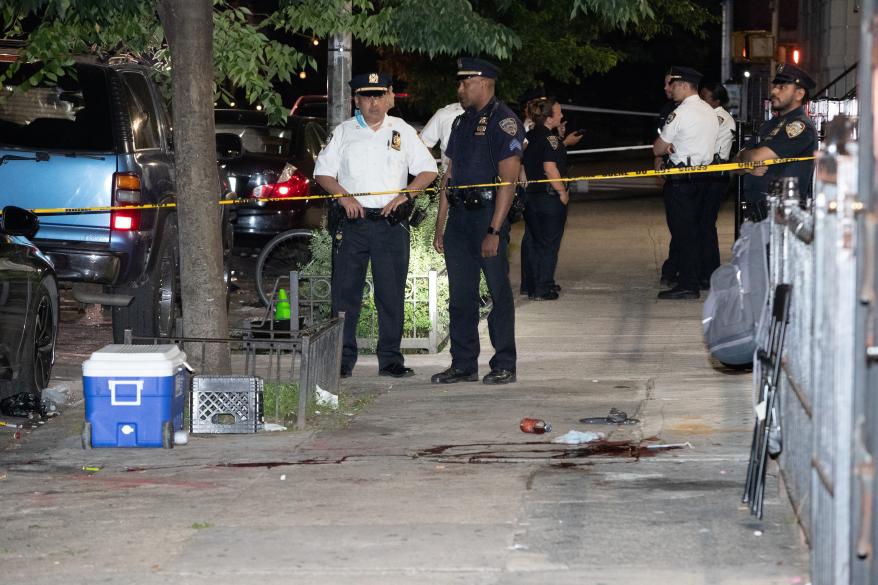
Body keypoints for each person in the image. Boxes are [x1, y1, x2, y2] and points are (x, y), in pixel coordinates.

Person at [314, 72, 438, 379]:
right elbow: (323, 173)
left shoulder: (402, 131)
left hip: (389, 224)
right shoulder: (343, 132)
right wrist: (343, 198)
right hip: (354, 224)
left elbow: (428, 170)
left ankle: (390, 359)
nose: (374, 103)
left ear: (389, 97)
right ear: (356, 99)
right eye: (367, 96)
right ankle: (342, 359)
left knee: (391, 293)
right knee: (345, 295)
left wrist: (405, 195)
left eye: (379, 95)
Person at [431, 57, 524, 385]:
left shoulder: (505, 122)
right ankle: (463, 364)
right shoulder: (460, 123)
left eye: (464, 82)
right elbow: (449, 174)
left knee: (498, 293)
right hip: (459, 219)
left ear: (484, 83)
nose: (460, 88)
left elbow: (508, 182)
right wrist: (440, 223)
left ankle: (504, 363)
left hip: (487, 217)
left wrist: (494, 230)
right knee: (460, 295)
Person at [653, 65, 719, 300]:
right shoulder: (709, 111)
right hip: (704, 177)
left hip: (681, 180)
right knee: (698, 230)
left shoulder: (680, 112)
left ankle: (687, 284)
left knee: (683, 233)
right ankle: (697, 277)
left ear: (682, 85)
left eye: (672, 84)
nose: (670, 89)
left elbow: (659, 146)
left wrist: (664, 148)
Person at [735, 64, 817, 219]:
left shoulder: (800, 126)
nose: (773, 91)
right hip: (759, 211)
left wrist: (747, 159)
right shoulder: (768, 124)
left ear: (799, 94)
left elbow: (754, 157)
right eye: (775, 86)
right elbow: (734, 165)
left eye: (782, 87)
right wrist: (747, 166)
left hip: (782, 214)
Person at [521, 97, 569, 300]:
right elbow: (550, 168)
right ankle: (543, 288)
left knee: (533, 240)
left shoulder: (527, 137)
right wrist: (562, 192)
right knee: (549, 243)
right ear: (549, 118)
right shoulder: (551, 140)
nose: (562, 115)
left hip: (531, 196)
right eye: (558, 113)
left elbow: (520, 164)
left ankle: (532, 285)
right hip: (549, 199)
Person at [698, 81, 736, 288]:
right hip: (709, 174)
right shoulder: (709, 115)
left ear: (717, 101)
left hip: (714, 175)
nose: (701, 101)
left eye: (705, 98)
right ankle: (704, 270)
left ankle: (709, 272)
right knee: (702, 223)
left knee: (705, 224)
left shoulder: (719, 118)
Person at [656, 72, 680, 288]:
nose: (665, 88)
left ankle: (675, 270)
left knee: (683, 226)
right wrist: (658, 165)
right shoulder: (666, 111)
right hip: (671, 174)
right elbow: (659, 147)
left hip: (687, 176)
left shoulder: (687, 111)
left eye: (667, 84)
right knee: (676, 225)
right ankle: (674, 269)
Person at [420, 101, 464, 167]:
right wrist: (431, 169)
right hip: (448, 172)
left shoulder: (484, 112)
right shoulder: (445, 112)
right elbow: (424, 142)